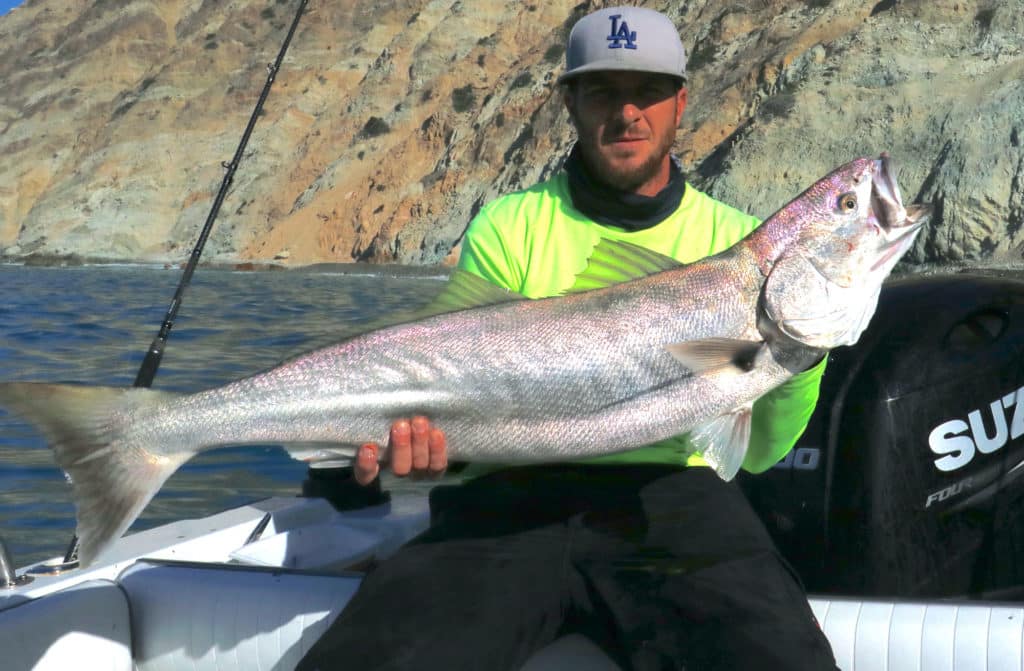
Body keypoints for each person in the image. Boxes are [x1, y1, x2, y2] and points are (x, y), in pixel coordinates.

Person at [298, 7, 836, 670]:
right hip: (506, 502)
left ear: (681, 103)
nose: (627, 113)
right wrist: (439, 452)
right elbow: (461, 393)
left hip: (676, 502)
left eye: (647, 93)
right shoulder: (510, 225)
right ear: (570, 103)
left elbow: (760, 453)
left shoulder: (740, 243)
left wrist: (801, 349)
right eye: (603, 92)